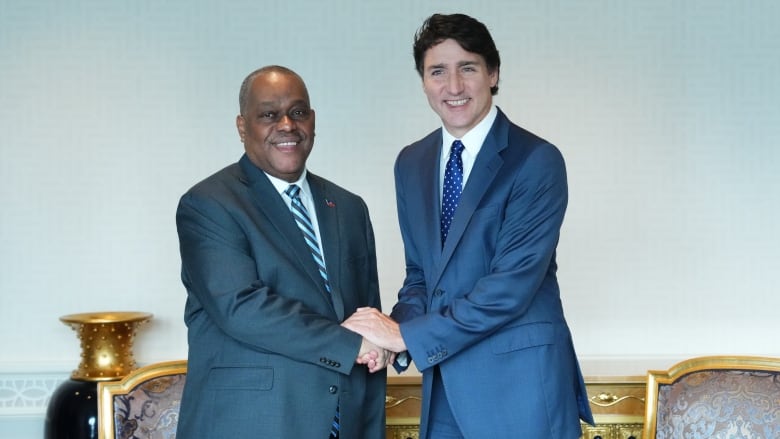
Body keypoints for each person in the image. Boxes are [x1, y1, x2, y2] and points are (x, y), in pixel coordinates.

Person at [343, 13, 594, 438]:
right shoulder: (411, 163)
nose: (453, 86)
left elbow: (509, 288)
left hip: (522, 389)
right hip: (444, 388)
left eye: (468, 68)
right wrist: (390, 336)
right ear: (423, 82)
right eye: (437, 71)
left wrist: (404, 336)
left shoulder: (536, 160)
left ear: (493, 74)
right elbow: (422, 276)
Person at [175, 65, 388, 438]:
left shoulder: (350, 207)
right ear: (243, 127)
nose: (287, 124)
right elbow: (241, 307)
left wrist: (380, 344)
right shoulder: (209, 204)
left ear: (313, 121)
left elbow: (367, 314)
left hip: (345, 423)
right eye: (269, 115)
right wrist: (353, 344)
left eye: (298, 112)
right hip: (253, 424)